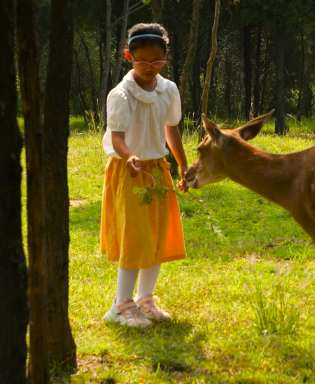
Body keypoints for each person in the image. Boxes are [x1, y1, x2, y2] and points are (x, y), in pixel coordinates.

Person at [100, 23, 188, 328]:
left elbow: (171, 130)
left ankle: (145, 299)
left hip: (157, 170)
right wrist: (130, 156)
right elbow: (117, 137)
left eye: (157, 61)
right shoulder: (121, 95)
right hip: (129, 171)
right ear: (128, 56)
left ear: (165, 57)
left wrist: (182, 165)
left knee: (157, 237)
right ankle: (120, 306)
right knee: (135, 238)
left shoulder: (168, 90)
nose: (150, 67)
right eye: (143, 61)